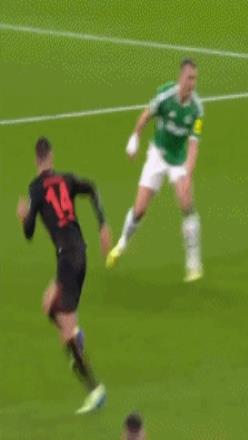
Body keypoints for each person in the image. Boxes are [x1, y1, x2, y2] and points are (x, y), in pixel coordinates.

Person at [17, 137, 111, 413]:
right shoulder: (67, 180)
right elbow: (92, 188)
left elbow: (29, 233)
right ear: (51, 156)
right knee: (49, 304)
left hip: (67, 260)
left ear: (36, 159)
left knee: (66, 331)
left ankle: (94, 390)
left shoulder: (35, 189)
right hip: (79, 253)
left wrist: (23, 216)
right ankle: (76, 340)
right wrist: (103, 224)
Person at [107, 58, 204, 282]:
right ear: (181, 78)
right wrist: (135, 137)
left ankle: (193, 264)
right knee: (139, 209)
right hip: (157, 155)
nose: (192, 83)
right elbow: (146, 115)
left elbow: (193, 144)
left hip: (178, 160)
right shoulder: (165, 97)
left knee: (187, 203)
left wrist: (188, 175)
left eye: (195, 79)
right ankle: (121, 244)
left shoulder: (197, 109)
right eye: (189, 78)